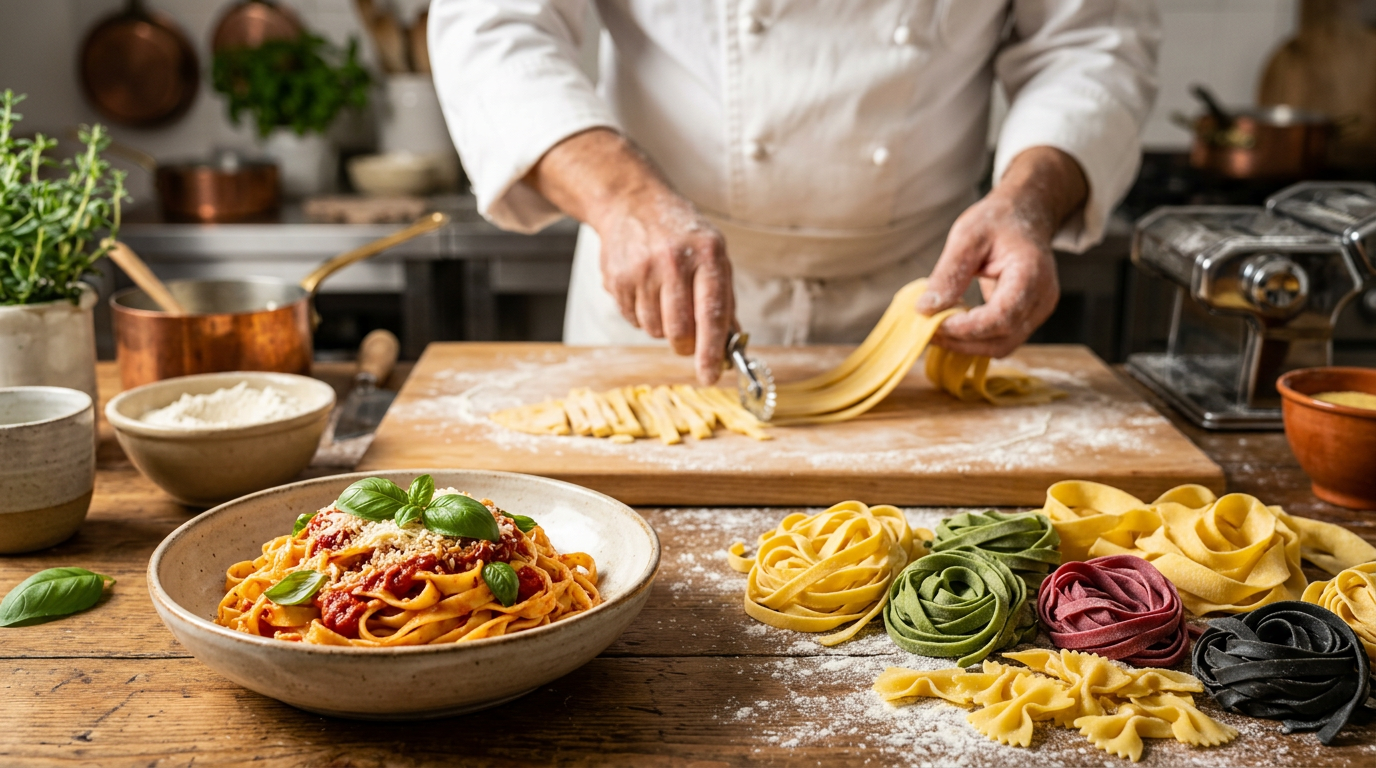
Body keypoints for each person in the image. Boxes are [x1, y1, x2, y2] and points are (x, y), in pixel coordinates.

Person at [430, 1, 1159, 385]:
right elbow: (492, 23)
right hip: (658, 292)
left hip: (917, 297)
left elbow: (1091, 45)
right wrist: (620, 196)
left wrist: (1030, 197)